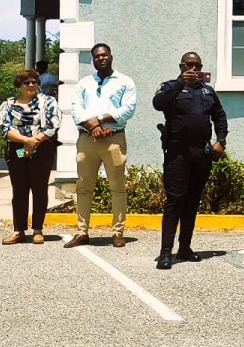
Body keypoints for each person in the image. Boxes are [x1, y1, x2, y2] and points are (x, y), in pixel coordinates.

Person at [152, 52, 228, 270]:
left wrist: (220, 140)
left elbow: (220, 116)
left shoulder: (207, 91)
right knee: (174, 201)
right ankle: (166, 252)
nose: (193, 69)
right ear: (181, 66)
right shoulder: (169, 87)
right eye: (189, 65)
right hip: (177, 153)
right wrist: (178, 84)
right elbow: (158, 104)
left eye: (197, 65)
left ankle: (184, 247)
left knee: (193, 201)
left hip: (201, 153)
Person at [65, 43, 136, 249]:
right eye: (97, 56)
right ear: (93, 60)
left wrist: (100, 119)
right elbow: (76, 109)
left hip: (113, 139)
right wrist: (91, 125)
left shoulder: (125, 82)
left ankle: (117, 232)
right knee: (84, 186)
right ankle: (82, 231)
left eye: (104, 55)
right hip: (88, 140)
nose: (101, 58)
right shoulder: (84, 83)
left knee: (117, 186)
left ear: (111, 56)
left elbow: (128, 109)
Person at [0, 69, 60, 245]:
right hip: (17, 151)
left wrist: (34, 141)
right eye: (27, 83)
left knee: (40, 189)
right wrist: (26, 141)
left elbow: (54, 124)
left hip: (42, 149)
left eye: (34, 82)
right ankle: (19, 230)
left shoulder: (48, 102)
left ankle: (38, 230)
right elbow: (5, 128)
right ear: (19, 85)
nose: (31, 85)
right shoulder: (8, 105)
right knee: (19, 191)